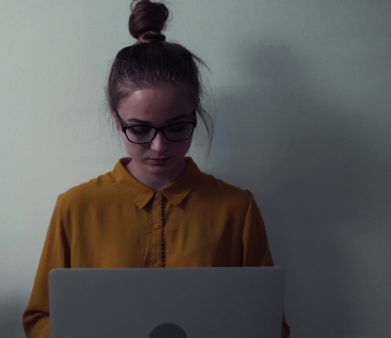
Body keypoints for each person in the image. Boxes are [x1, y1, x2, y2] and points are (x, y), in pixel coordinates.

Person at [22, 1, 290, 337]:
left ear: (196, 115)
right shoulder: (75, 207)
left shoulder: (237, 208)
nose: (159, 147)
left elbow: (268, 323)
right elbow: (39, 318)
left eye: (177, 127)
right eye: (140, 129)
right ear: (116, 119)